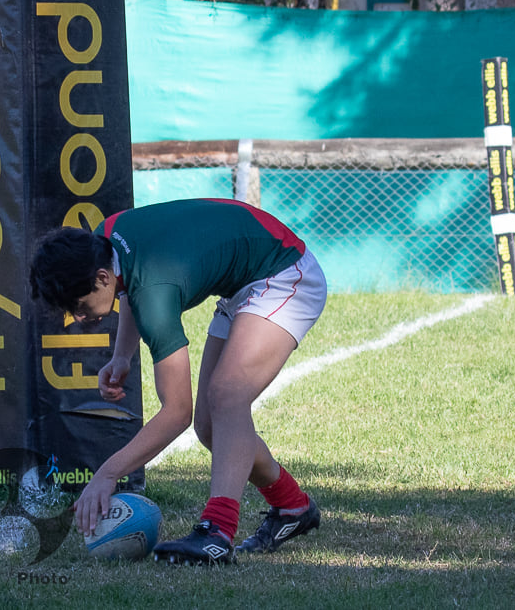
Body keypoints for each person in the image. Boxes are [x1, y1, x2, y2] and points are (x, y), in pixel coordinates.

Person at [30, 198, 327, 565]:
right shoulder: (102, 240)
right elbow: (129, 283)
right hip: (245, 282)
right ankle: (291, 506)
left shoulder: (154, 292)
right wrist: (122, 355)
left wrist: (107, 474)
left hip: (283, 272)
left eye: (77, 305)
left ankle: (216, 533)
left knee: (227, 396)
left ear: (100, 278)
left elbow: (175, 413)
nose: (75, 317)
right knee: (210, 427)